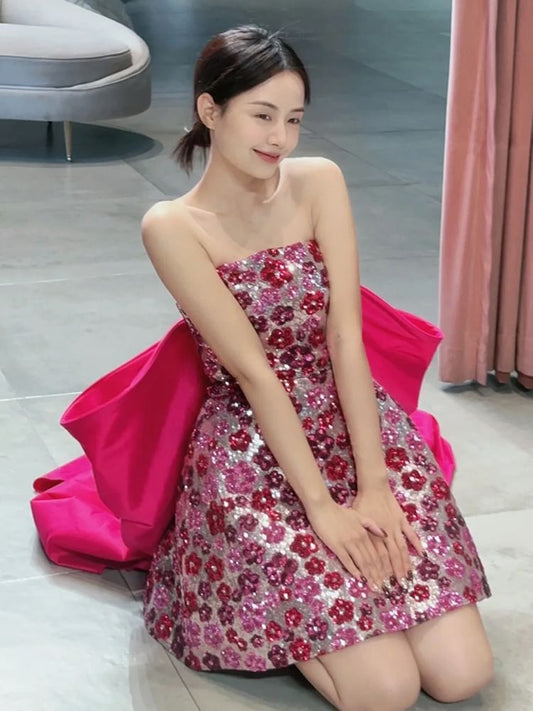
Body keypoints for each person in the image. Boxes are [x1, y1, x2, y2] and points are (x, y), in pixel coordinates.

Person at [139, 24, 493, 711]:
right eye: (262, 116)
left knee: (461, 675)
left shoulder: (319, 181)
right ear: (210, 110)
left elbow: (345, 338)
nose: (280, 138)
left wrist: (374, 485)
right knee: (385, 691)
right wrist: (323, 510)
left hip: (354, 421)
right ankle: (313, 622)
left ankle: (362, 612)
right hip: (256, 449)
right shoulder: (172, 225)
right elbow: (254, 375)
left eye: (294, 119)